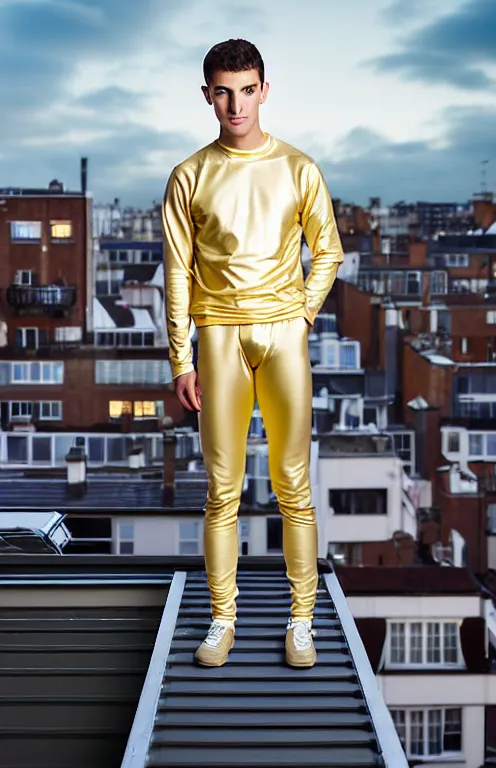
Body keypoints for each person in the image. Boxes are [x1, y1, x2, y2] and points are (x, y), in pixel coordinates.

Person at [162, 38, 343, 668]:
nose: (235, 103)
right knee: (222, 489)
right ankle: (222, 620)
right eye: (223, 91)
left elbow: (329, 251)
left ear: (264, 90)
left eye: (246, 89)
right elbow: (178, 272)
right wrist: (179, 360)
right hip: (217, 337)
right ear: (207, 94)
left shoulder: (299, 168)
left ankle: (302, 622)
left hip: (284, 333)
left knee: (294, 485)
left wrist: (303, 312)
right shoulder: (188, 176)